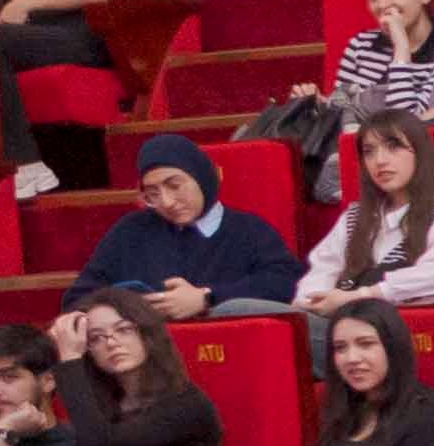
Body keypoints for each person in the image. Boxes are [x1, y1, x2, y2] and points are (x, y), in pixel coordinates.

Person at [81, 134, 301, 318]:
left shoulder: (248, 230)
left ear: (202, 178)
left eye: (175, 186)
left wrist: (208, 297)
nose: (167, 202)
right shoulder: (131, 231)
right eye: (152, 194)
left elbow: (284, 282)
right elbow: (82, 294)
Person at [45, 299, 228, 446]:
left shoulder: (186, 402)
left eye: (124, 330)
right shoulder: (108, 408)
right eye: (96, 338)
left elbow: (102, 439)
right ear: (89, 353)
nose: (111, 343)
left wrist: (70, 359)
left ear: (148, 335)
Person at [302, 107, 434, 309]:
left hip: (393, 321)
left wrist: (361, 295)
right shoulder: (355, 216)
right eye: (369, 152)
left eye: (393, 147)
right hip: (336, 318)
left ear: (420, 153)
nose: (380, 161)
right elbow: (323, 268)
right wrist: (310, 302)